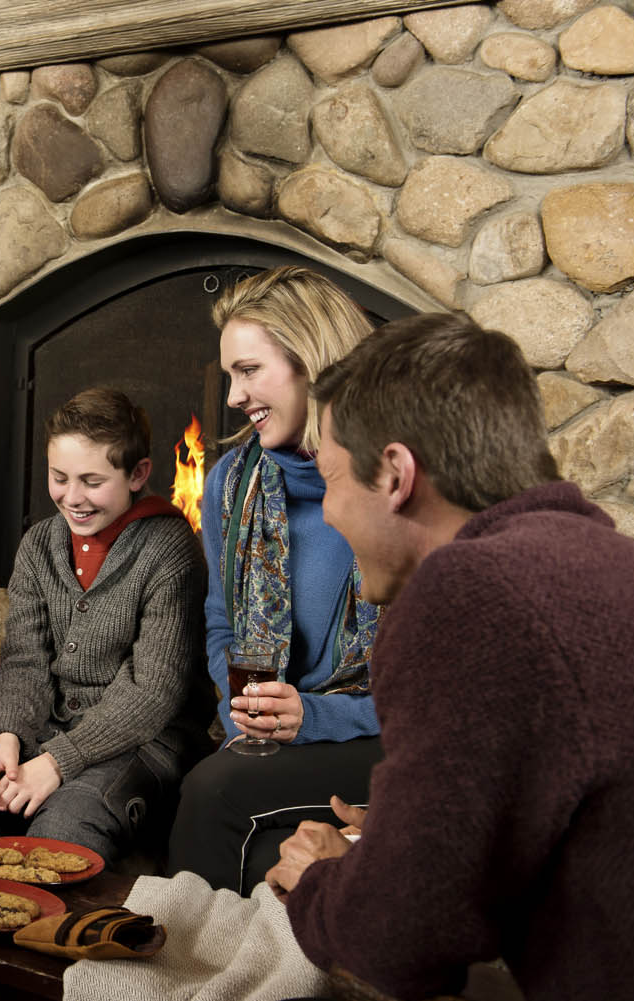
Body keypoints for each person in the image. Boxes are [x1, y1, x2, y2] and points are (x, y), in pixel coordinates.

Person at [263, 312, 634, 1001]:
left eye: (330, 480)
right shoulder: (625, 561)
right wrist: (403, 836)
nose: (326, 512)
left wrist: (325, 881)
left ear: (394, 473)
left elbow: (398, 935)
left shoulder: (466, 591)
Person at [0, 387, 213, 864]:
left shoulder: (169, 550)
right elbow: (24, 659)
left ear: (137, 474)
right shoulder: (39, 544)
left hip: (142, 737)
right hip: (43, 725)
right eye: (59, 478)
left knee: (61, 840)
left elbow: (153, 692)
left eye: (92, 481)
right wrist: (10, 736)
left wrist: (55, 764)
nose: (73, 498)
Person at [165, 266, 383, 893]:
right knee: (258, 849)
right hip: (271, 731)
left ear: (314, 362)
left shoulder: (392, 488)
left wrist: (312, 719)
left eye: (249, 370)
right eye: (231, 373)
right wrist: (241, 717)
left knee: (215, 788)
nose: (233, 396)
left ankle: (177, 970)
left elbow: (443, 690)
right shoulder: (233, 480)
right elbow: (220, 620)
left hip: (375, 730)